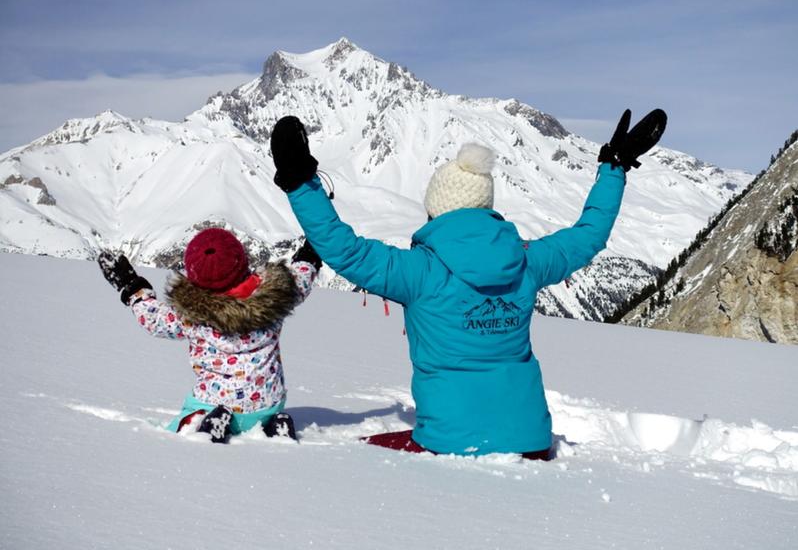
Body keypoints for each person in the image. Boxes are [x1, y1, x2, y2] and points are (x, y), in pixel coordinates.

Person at [269, 109, 666, 457]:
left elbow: (345, 251)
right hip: (530, 439)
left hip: (449, 440)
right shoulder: (527, 261)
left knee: (354, 460)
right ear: (486, 207)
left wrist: (299, 183)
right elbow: (588, 235)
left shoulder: (419, 271)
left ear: (436, 210)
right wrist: (614, 168)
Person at [97, 227, 320, 443]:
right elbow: (301, 280)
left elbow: (155, 319)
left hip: (213, 402)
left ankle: (201, 424)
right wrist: (310, 254)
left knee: (183, 423)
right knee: (264, 409)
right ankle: (272, 425)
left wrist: (132, 287)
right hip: (268, 402)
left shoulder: (191, 314)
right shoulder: (276, 296)